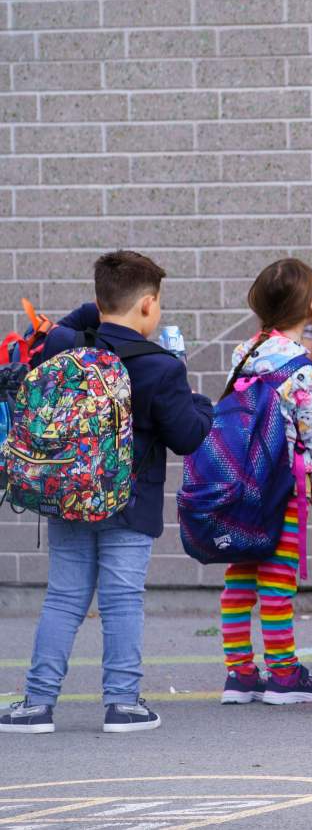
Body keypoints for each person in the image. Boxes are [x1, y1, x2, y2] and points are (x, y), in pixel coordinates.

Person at [0, 251, 213, 734]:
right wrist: (200, 401)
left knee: (63, 598)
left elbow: (75, 319)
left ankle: (37, 702)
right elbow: (188, 437)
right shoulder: (161, 366)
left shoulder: (63, 344)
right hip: (129, 502)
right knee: (121, 600)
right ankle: (122, 703)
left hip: (69, 492)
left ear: (99, 302)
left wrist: (99, 305)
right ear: (148, 306)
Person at [218, 260, 312, 706]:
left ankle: (240, 672)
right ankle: (284, 674)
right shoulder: (304, 372)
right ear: (310, 306)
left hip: (238, 488)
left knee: (239, 579)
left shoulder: (242, 353)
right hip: (283, 492)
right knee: (277, 581)